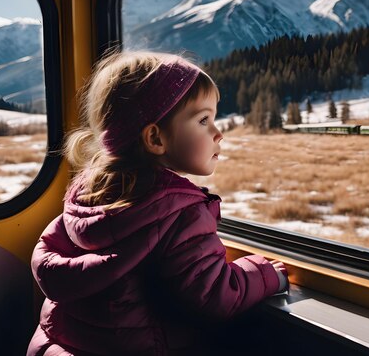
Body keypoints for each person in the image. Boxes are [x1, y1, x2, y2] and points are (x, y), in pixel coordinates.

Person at [27, 51, 289, 356]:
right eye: (204, 120)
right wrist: (266, 273)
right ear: (155, 138)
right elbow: (214, 294)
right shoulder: (180, 212)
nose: (219, 134)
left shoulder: (88, 197)